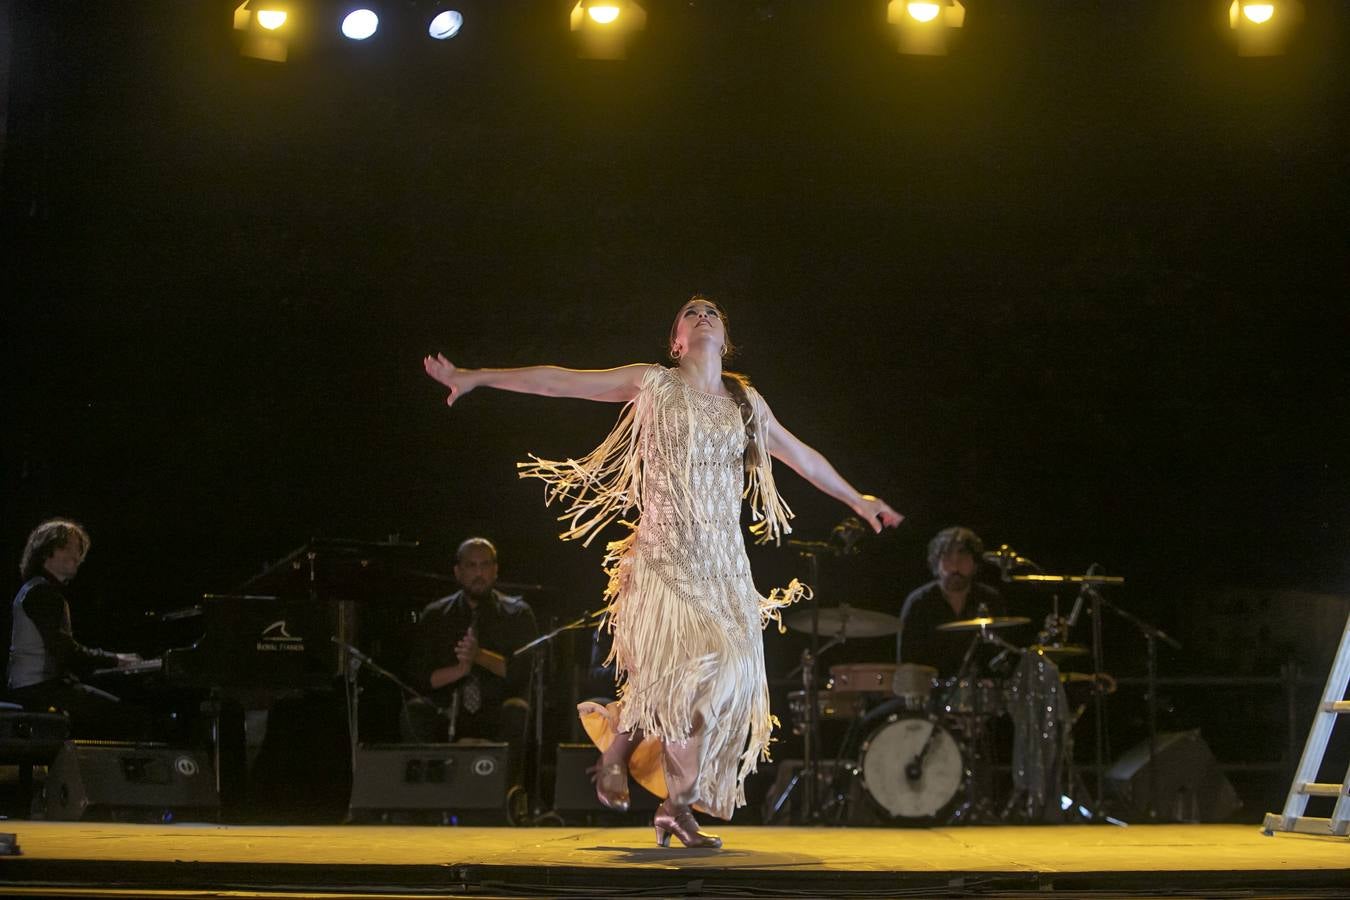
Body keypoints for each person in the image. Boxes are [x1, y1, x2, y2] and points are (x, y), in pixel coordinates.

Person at [423, 295, 902, 848]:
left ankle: (672, 802)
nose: (702, 315)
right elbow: (559, 382)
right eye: (690, 313)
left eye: (713, 313)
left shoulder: (746, 403)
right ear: (676, 340)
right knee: (685, 674)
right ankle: (633, 766)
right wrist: (475, 377)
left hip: (724, 569)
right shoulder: (654, 383)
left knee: (711, 689)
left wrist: (858, 499)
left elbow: (804, 457)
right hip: (664, 556)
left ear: (726, 338)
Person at [402, 537, 537, 789]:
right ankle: (427, 797)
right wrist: (459, 670)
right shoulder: (436, 615)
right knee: (415, 711)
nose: (479, 573)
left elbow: (521, 673)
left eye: (485, 566)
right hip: (449, 711)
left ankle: (505, 795)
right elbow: (420, 677)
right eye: (471, 566)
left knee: (518, 710)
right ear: (458, 572)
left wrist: (479, 656)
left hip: (495, 710)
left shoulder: (517, 613)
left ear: (495, 570)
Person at [7, 519, 146, 738]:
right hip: (39, 690)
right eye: (67, 547)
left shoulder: (40, 590)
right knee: (125, 717)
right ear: (46, 553)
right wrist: (115, 660)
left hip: (37, 686)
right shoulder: (42, 593)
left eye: (78, 549)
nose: (76, 555)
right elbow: (64, 651)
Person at [896, 525, 1007, 678]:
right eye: (947, 557)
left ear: (975, 564)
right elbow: (908, 661)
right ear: (936, 563)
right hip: (931, 692)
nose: (955, 566)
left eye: (963, 557)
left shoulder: (990, 599)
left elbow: (1000, 655)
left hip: (978, 690)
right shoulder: (919, 602)